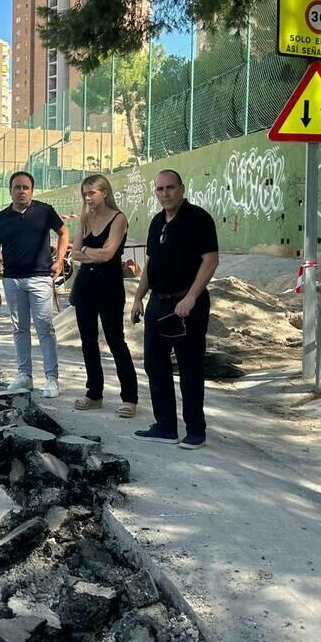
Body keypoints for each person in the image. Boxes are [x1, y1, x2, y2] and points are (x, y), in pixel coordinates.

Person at [130, 170, 219, 449]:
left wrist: (192, 296)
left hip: (187, 304)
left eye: (170, 188)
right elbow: (150, 263)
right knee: (154, 365)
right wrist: (138, 298)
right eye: (159, 189)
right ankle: (165, 425)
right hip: (159, 301)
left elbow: (211, 260)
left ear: (181, 189)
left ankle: (195, 430)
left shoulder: (198, 219)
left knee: (189, 366)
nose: (165, 193)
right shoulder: (157, 221)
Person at [0, 171, 69, 397]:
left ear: (32, 190)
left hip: (40, 279)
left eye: (25, 187)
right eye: (17, 187)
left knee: (45, 329)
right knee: (19, 329)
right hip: (12, 281)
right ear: (10, 190)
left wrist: (60, 260)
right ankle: (24, 376)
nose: (21, 191)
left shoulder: (44, 211)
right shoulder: (1, 218)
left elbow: (63, 232)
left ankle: (52, 379)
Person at [69, 174, 138, 417]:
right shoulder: (85, 218)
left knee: (115, 340)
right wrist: (90, 252)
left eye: (92, 193)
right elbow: (74, 253)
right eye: (85, 193)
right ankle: (94, 393)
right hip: (85, 285)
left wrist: (87, 251)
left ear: (104, 192)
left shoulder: (118, 219)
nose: (88, 198)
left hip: (109, 286)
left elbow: (109, 255)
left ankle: (130, 398)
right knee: (88, 341)